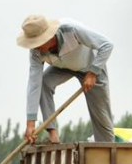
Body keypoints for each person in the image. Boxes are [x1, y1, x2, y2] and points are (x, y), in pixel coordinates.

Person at [17, 14, 116, 144]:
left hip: (91, 67)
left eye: (37, 43)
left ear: (49, 37)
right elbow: (34, 84)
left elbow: (107, 45)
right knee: (44, 83)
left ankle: (107, 149)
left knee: (102, 118)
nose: (35, 47)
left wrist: (93, 72)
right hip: (63, 67)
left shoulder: (72, 30)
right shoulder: (36, 52)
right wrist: (30, 124)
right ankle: (53, 136)